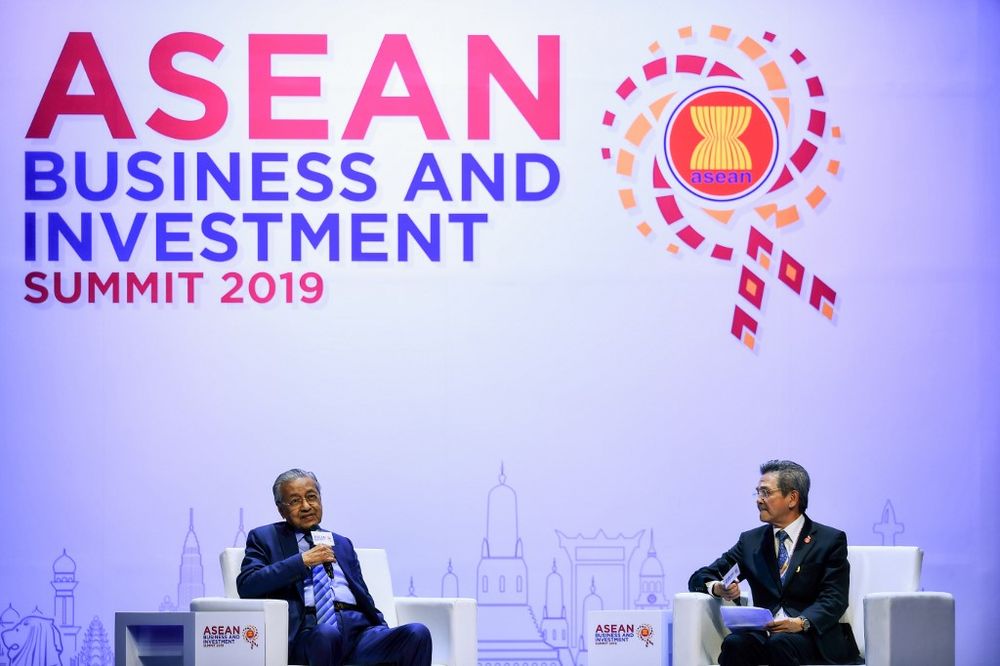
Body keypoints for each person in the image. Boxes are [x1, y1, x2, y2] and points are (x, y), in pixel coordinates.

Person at [237, 468, 432, 666]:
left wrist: (380, 626)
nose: (306, 506)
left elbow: (363, 595)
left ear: (320, 500)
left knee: (416, 633)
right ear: (281, 510)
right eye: (295, 501)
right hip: (311, 633)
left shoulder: (342, 543)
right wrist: (302, 561)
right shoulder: (265, 537)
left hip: (359, 632)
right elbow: (247, 584)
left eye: (311, 497)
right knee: (326, 634)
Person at [688, 460, 860, 666]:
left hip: (811, 636)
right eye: (757, 493)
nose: (759, 500)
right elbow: (700, 577)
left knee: (781, 643)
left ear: (792, 498)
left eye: (766, 493)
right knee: (735, 644)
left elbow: (835, 598)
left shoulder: (829, 540)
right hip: (765, 634)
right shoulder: (751, 542)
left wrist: (801, 622)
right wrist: (718, 588)